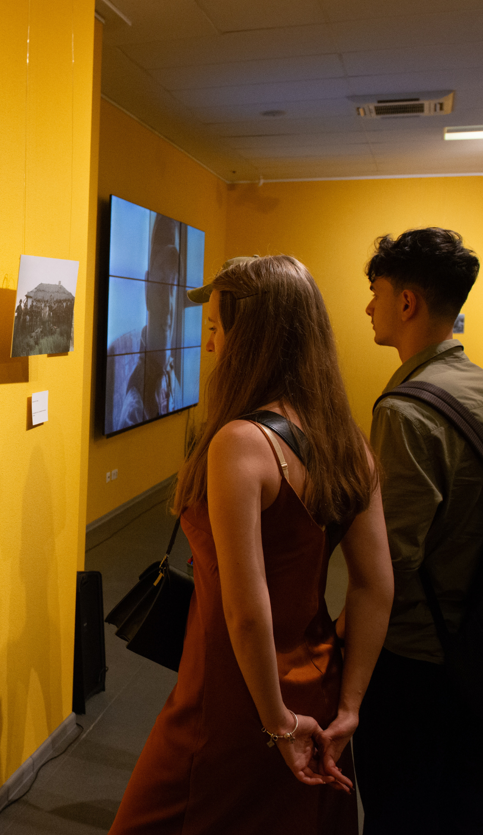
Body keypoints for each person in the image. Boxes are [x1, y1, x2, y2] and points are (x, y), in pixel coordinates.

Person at [109, 255, 393, 835]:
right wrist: (350, 707)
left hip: (236, 694)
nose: (210, 344)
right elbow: (375, 586)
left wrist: (276, 723)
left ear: (253, 338)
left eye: (217, 327)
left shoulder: (242, 443)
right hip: (317, 684)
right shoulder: (350, 444)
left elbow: (246, 609)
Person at [357, 227, 483, 833]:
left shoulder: (406, 409)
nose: (368, 308)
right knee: (465, 807)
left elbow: (390, 561)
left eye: (376, 293)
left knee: (402, 809)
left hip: (415, 659)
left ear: (407, 302)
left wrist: (345, 643)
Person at [118, 217, 183, 428]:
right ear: (147, 290)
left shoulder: (172, 378)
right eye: (161, 282)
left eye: (173, 284)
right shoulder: (135, 408)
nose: (169, 304)